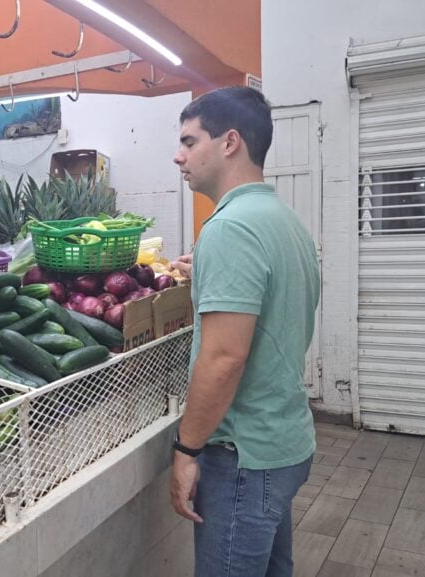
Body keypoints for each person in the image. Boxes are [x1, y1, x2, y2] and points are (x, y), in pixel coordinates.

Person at [167, 86, 320, 577]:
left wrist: (187, 449)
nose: (179, 156)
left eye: (190, 142)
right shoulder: (282, 220)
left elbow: (224, 358)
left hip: (242, 458)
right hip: (283, 442)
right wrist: (207, 274)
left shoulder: (230, 228)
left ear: (230, 142)